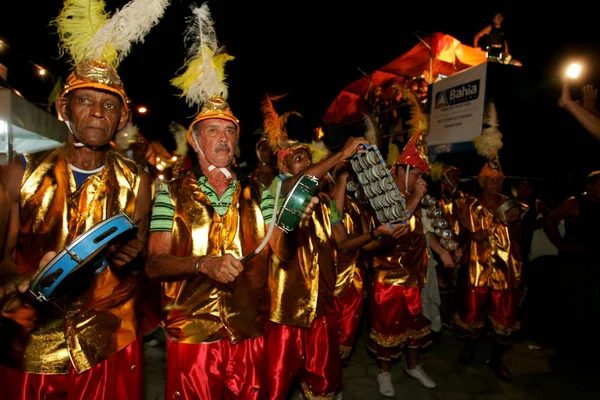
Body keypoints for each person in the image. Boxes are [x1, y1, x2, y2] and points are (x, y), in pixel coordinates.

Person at [145, 6, 318, 399]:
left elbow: (282, 252)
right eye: (212, 131)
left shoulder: (261, 192)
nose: (223, 139)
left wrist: (294, 223)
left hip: (249, 331)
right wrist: (201, 264)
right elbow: (154, 266)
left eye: (229, 131)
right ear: (195, 140)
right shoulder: (168, 191)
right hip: (193, 337)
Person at [0, 0, 162, 396]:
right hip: (33, 342)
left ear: (122, 119)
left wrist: (134, 257)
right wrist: (19, 279)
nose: (96, 112)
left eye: (109, 105)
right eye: (85, 100)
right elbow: (2, 257)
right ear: (63, 108)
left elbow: (141, 256)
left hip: (110, 341)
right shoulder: (19, 171)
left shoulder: (137, 179)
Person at [368, 131, 438, 397]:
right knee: (386, 329)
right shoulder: (382, 194)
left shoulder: (415, 201)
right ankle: (383, 372)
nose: (421, 180)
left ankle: (413, 366)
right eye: (417, 174)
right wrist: (416, 199)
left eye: (422, 176)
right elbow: (395, 226)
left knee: (417, 326)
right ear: (400, 170)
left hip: (413, 276)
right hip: (388, 277)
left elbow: (424, 234)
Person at [454, 156, 527, 381]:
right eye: (491, 180)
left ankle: (496, 359)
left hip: (505, 269)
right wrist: (471, 234)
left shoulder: (513, 206)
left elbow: (520, 237)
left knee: (504, 316)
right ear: (482, 182)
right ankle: (469, 348)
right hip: (477, 266)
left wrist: (510, 222)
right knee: (472, 311)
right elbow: (461, 234)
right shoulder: (469, 205)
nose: (496, 183)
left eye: (499, 180)